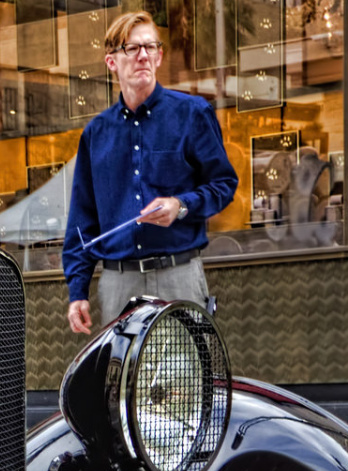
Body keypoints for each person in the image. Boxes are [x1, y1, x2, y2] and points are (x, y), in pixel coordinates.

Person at [63, 12, 238, 334]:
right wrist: (77, 292)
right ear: (112, 62)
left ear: (158, 56)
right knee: (123, 384)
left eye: (151, 47)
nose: (143, 55)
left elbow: (224, 184)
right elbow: (81, 219)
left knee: (185, 381)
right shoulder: (95, 133)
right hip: (118, 284)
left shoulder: (192, 114)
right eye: (132, 48)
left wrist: (181, 205)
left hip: (178, 276)